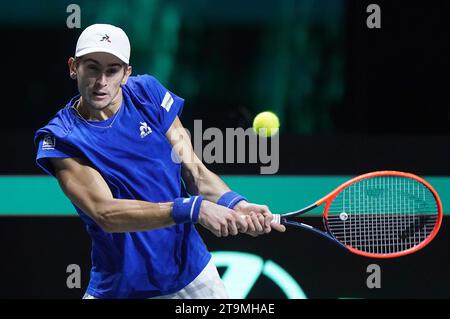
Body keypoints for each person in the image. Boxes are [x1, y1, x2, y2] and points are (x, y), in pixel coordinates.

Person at [34, 24, 285, 299]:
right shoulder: (61, 137)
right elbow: (105, 213)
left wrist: (235, 203)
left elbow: (196, 173)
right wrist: (193, 209)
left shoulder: (147, 94)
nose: (101, 81)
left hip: (191, 273)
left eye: (112, 70)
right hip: (121, 287)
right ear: (74, 67)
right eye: (92, 68)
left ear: (126, 74)